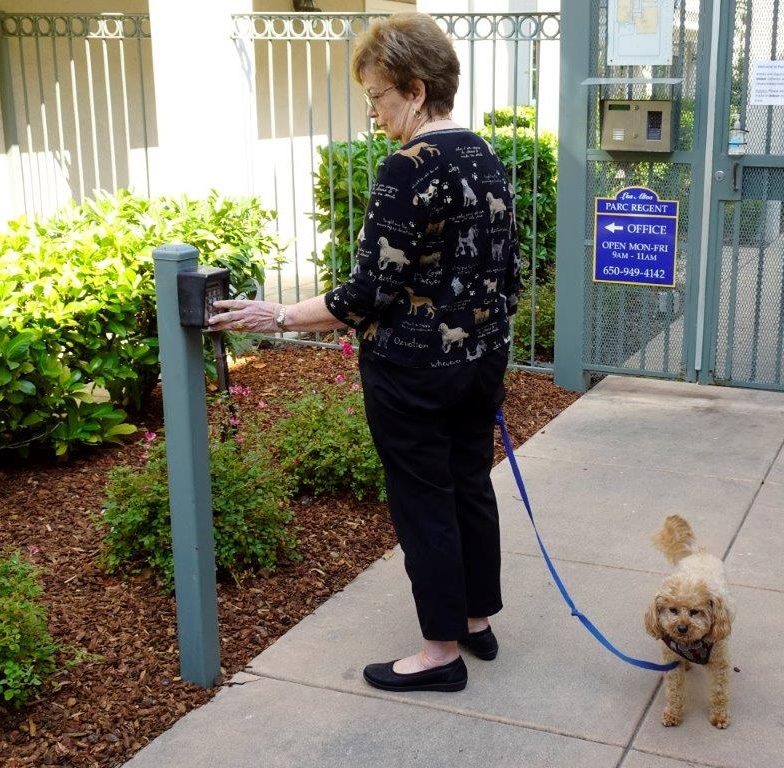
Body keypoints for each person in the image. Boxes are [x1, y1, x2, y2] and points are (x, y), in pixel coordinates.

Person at [208, 12, 522, 694]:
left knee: (424, 500)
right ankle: (474, 619)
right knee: (469, 483)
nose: (373, 113)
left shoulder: (405, 169)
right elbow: (509, 275)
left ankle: (439, 652)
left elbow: (365, 293)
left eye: (377, 96)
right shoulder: (488, 158)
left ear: (413, 89)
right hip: (481, 363)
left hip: (412, 375)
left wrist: (280, 314)